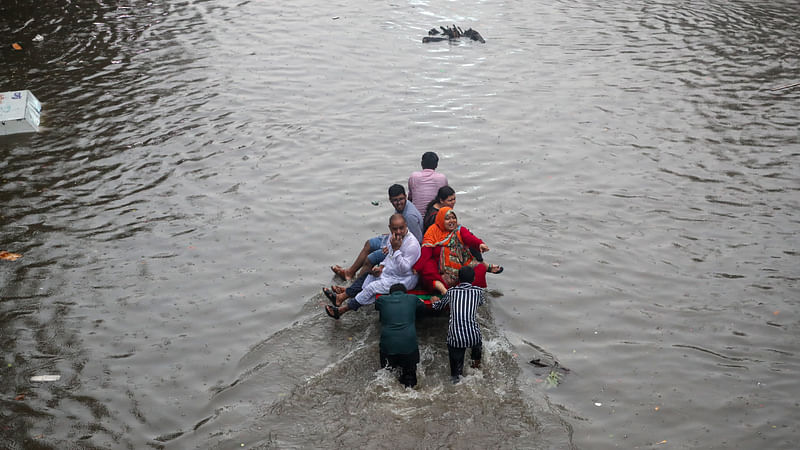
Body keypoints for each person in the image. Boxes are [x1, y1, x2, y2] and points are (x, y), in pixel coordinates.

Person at [324, 214, 420, 319]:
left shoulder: (412, 245)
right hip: (392, 272)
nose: (398, 232)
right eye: (395, 229)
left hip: (404, 279)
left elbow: (404, 268)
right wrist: (381, 267)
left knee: (371, 287)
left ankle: (342, 310)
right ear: (389, 228)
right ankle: (340, 298)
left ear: (406, 225)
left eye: (401, 228)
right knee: (368, 275)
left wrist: (396, 250)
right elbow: (389, 257)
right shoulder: (392, 237)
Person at [330, 184, 423, 281]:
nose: (398, 203)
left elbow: (417, 240)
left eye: (401, 199)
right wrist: (391, 235)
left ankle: (356, 285)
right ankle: (350, 273)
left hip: (401, 246)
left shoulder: (409, 216)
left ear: (405, 197)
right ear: (390, 200)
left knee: (371, 259)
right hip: (395, 237)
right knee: (369, 244)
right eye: (395, 200)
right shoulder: (401, 208)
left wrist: (392, 247)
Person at [413, 206, 503, 297]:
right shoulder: (432, 231)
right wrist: (417, 267)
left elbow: (469, 238)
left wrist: (480, 244)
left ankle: (473, 294)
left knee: (480, 269)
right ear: (440, 220)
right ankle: (444, 290)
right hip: (440, 269)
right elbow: (426, 251)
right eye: (447, 219)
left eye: (453, 218)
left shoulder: (459, 229)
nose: (451, 221)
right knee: (427, 267)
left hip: (460, 264)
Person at [431, 266, 486, 383]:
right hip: (474, 336)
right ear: (474, 279)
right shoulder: (478, 291)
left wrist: (434, 301)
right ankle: (476, 368)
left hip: (456, 338)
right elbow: (481, 303)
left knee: (456, 376)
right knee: (476, 353)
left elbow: (438, 307)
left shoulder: (451, 292)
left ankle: (456, 379)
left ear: (458, 279)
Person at [375, 283, 427, 387]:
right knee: (410, 379)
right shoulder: (412, 298)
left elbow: (377, 307)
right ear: (405, 293)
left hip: (388, 346)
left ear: (390, 293)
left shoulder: (381, 300)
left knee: (388, 375)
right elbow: (423, 309)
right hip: (408, 346)